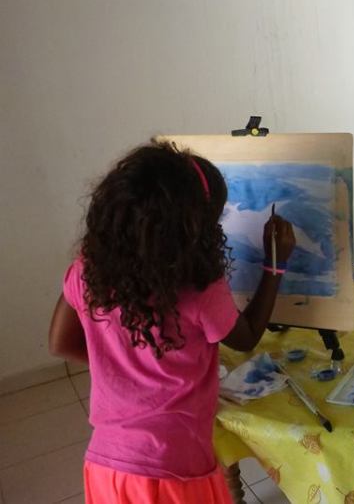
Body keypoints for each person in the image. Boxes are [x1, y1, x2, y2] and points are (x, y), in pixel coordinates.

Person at [47, 141, 296, 503]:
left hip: (106, 464)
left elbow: (60, 343)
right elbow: (245, 339)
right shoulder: (198, 285)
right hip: (175, 466)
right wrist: (275, 266)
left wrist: (124, 367)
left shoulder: (87, 271)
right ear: (192, 229)